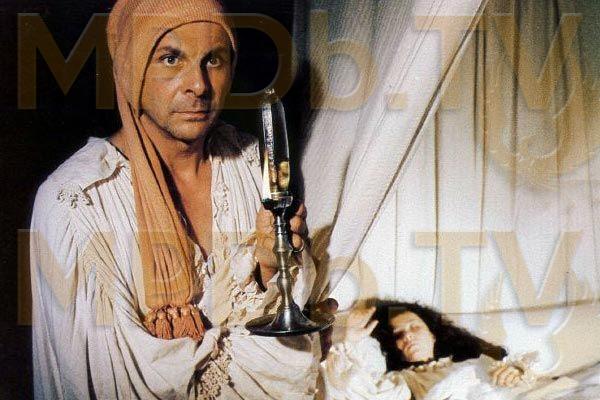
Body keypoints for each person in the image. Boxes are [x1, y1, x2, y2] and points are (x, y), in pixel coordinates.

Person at [29, 1, 331, 398]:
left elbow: (295, 339)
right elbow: (111, 384)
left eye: (213, 60)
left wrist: (267, 269)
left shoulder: (249, 163)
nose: (199, 86)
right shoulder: (77, 203)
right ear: (132, 69)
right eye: (171, 59)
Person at [319, 301, 537, 400]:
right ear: (394, 347)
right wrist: (350, 341)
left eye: (414, 327)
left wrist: (517, 372)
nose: (408, 336)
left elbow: (530, 380)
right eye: (399, 335)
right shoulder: (404, 381)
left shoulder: (476, 362)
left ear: (433, 334)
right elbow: (360, 390)